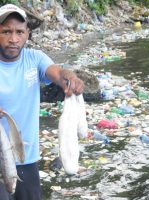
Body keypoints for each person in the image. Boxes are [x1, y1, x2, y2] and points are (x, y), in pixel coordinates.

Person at [0, 4, 84, 200]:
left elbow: (57, 73)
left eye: (19, 31)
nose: (13, 39)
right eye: (6, 31)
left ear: (27, 33)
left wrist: (69, 78)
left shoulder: (35, 59)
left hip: (27, 160)